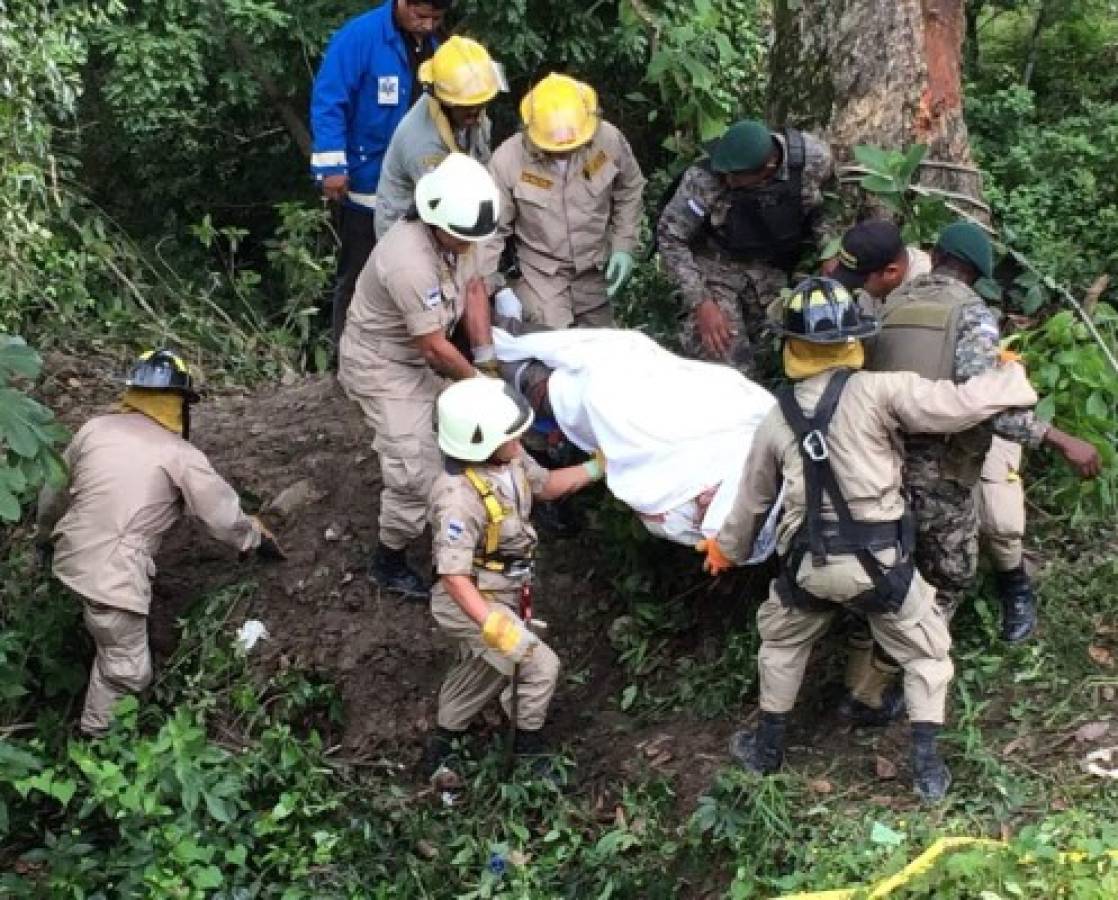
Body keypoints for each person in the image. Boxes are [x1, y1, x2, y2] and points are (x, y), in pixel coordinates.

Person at [699, 277, 1041, 801]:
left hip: (808, 569)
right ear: (853, 340)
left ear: (790, 345)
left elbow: (751, 503)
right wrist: (1008, 377)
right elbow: (957, 404)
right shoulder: (881, 391)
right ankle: (927, 769)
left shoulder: (776, 417)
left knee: (782, 645)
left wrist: (726, 550)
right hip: (880, 567)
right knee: (928, 655)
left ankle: (767, 748)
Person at [34, 350, 284, 737]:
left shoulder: (94, 429)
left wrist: (42, 538)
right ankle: (95, 747)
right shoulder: (179, 454)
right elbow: (221, 517)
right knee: (128, 672)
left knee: (108, 637)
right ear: (179, 404)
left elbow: (54, 491)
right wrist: (253, 536)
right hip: (113, 575)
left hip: (71, 555)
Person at [866, 221, 1101, 630]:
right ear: (977, 276)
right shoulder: (972, 314)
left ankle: (1007, 586)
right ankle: (920, 663)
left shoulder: (886, 305)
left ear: (935, 257)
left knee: (896, 563)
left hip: (881, 461)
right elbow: (985, 404)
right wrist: (1060, 439)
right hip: (943, 467)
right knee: (951, 572)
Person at [338, 153, 499, 600]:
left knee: (461, 438)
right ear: (434, 218)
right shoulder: (408, 260)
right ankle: (390, 558)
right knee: (417, 472)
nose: (468, 246)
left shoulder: (464, 234)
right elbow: (432, 346)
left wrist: (485, 361)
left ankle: (457, 527)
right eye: (461, 238)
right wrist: (477, 382)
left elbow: (473, 290)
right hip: (382, 364)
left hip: (420, 357)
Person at [424, 376, 603, 776]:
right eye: (512, 435)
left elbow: (547, 486)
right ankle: (529, 753)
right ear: (481, 441)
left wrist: (597, 467)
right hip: (470, 598)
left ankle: (444, 741)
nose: (520, 441)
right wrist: (494, 626)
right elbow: (454, 576)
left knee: (485, 667)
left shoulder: (512, 461)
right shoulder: (457, 497)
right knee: (538, 663)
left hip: (504, 587)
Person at [310, 0, 450, 343]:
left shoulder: (435, 46)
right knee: (358, 272)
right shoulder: (359, 37)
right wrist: (332, 167)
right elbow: (329, 100)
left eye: (436, 18)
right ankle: (345, 355)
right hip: (366, 179)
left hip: (418, 183)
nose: (428, 25)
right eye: (421, 16)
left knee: (416, 274)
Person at [657, 119, 834, 377]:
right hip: (716, 268)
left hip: (773, 272)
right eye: (725, 173)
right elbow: (671, 236)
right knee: (728, 364)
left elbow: (823, 209)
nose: (727, 180)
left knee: (777, 361)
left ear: (768, 167)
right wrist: (701, 302)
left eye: (737, 176)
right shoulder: (705, 178)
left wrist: (829, 251)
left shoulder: (812, 160)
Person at [475, 73, 646, 329]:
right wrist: (494, 287)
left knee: (601, 353)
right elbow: (491, 231)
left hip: (594, 273)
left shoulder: (608, 141)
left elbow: (629, 189)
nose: (564, 150)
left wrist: (623, 245)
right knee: (554, 352)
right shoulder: (508, 161)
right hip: (541, 278)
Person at [375, 36, 504, 240]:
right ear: (444, 100)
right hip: (409, 229)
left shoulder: (469, 111)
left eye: (481, 103)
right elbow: (443, 207)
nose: (476, 111)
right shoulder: (422, 142)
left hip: (449, 219)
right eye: (467, 107)